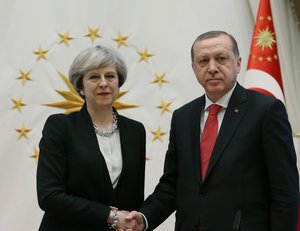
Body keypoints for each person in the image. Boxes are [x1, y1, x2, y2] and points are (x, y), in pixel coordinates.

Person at [124, 31, 299, 230]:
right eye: (203, 61)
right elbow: (172, 184)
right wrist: (144, 218)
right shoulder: (183, 116)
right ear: (194, 68)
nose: (212, 68)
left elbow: (285, 192)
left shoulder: (266, 110)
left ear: (238, 63)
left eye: (221, 59)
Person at [36, 45, 146, 231]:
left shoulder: (135, 131)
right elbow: (49, 196)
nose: (104, 83)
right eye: (94, 77)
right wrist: (109, 216)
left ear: (119, 82)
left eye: (110, 76)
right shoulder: (60, 127)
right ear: (80, 86)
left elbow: (134, 199)